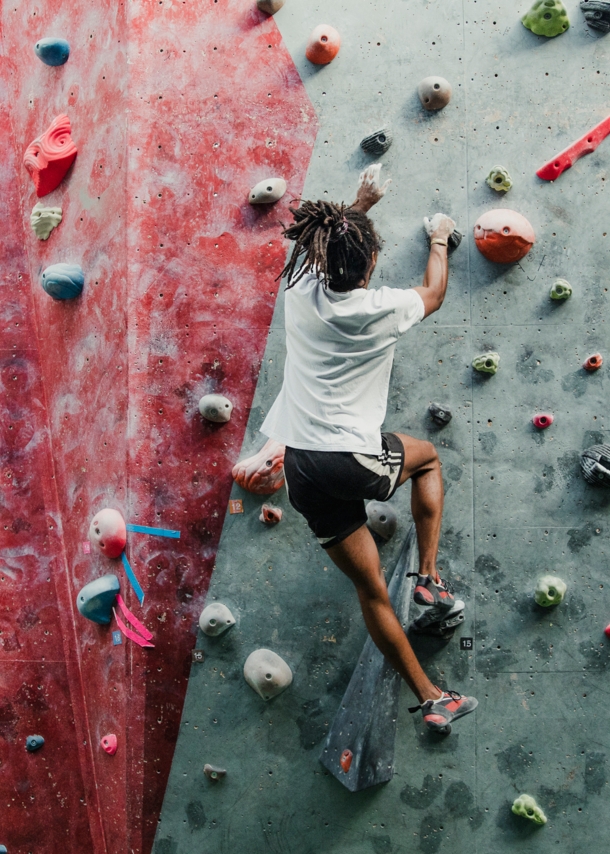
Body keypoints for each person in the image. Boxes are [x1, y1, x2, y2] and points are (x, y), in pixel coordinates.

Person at [260, 165, 477, 733]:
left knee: (371, 588)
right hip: (350, 457)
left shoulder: (299, 290)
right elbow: (433, 291)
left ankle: (432, 699)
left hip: (302, 466)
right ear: (373, 264)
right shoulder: (380, 308)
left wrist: (359, 203)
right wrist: (439, 236)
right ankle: (428, 578)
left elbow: (320, 245)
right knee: (426, 457)